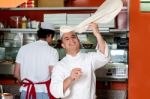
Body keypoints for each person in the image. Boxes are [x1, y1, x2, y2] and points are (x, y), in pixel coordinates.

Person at [50, 23, 110, 99]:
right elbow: (55, 91)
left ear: (78, 40)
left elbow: (104, 56)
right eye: (67, 39)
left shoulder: (89, 57)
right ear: (63, 45)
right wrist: (70, 78)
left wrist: (97, 34)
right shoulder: (59, 66)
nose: (71, 40)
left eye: (73, 37)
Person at [14, 22, 59, 99]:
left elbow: (16, 74)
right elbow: (54, 74)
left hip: (25, 92)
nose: (52, 40)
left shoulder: (23, 48)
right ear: (49, 35)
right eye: (52, 37)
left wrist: (25, 82)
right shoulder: (52, 51)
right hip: (43, 92)